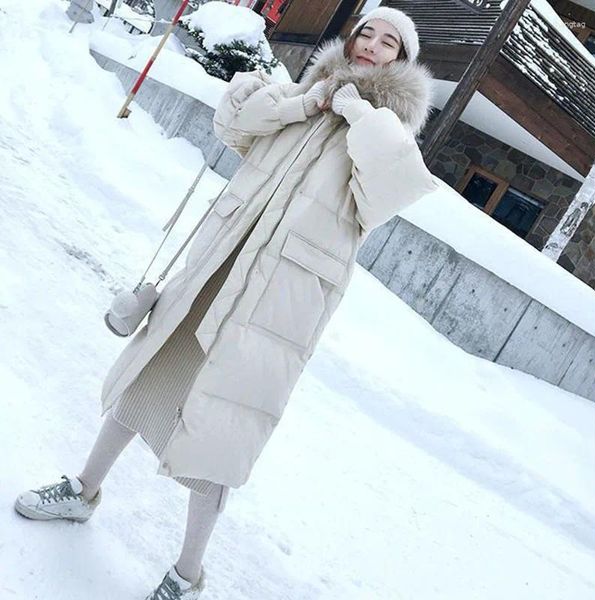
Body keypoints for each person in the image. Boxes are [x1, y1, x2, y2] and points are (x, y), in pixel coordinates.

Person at [14, 7, 438, 599]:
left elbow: (394, 188)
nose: (371, 45)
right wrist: (302, 103)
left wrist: (359, 112)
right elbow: (234, 123)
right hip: (219, 267)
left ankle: (188, 575)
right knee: (149, 374)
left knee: (220, 430)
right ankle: (83, 491)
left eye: (388, 42)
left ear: (401, 60)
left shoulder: (386, 135)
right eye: (366, 32)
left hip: (273, 304)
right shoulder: (310, 93)